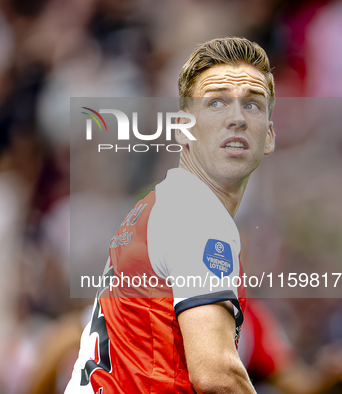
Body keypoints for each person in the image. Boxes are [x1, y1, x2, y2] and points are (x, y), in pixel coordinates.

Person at [65, 37, 276, 393]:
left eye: (253, 105)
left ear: (268, 136)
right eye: (216, 103)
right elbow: (216, 375)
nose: (237, 118)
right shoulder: (196, 215)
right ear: (182, 129)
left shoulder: (156, 205)